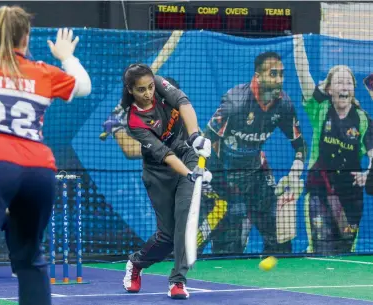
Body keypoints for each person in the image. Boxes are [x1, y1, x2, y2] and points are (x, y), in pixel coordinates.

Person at [0, 6, 91, 305]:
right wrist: (67, 57)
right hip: (38, 169)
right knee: (30, 259)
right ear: (27, 37)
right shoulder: (42, 72)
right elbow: (83, 86)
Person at [120, 64, 212, 299]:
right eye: (141, 89)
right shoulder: (134, 121)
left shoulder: (160, 84)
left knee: (184, 217)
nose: (148, 93)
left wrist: (195, 138)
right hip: (158, 171)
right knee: (167, 236)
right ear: (131, 90)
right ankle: (137, 263)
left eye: (150, 87)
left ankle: (177, 281)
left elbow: (184, 103)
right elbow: (165, 154)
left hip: (186, 153)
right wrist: (190, 175)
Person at [204, 51, 307, 254]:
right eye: (273, 74)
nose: (279, 80)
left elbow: (300, 145)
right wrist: (205, 176)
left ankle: (279, 283)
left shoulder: (284, 105)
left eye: (282, 74)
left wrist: (295, 174)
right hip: (225, 175)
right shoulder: (235, 103)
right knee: (229, 244)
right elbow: (207, 141)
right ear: (258, 76)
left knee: (279, 237)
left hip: (257, 173)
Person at [294, 35, 373, 254]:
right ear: (329, 89)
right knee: (322, 246)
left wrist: (368, 173)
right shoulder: (319, 109)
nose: (344, 86)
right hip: (320, 188)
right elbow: (303, 75)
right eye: (339, 81)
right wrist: (297, 44)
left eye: (348, 82)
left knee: (346, 249)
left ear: (353, 89)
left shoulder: (362, 118)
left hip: (350, 194)